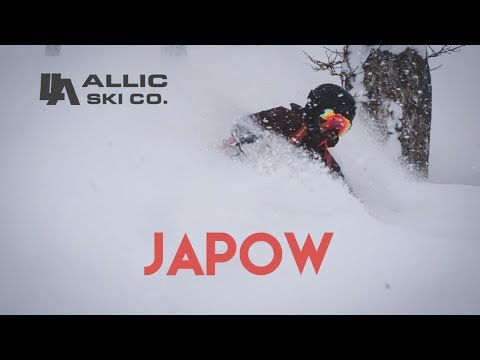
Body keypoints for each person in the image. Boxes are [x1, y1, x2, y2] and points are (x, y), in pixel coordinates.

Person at [223, 83, 356, 179]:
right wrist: (250, 142)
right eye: (333, 121)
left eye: (342, 126)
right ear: (316, 111)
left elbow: (343, 196)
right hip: (236, 174)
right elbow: (243, 124)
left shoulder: (325, 160)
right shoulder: (285, 119)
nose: (334, 130)